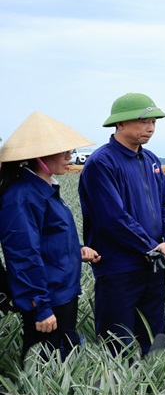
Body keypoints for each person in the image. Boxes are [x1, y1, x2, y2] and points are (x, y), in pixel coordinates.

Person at [79, 93, 165, 356]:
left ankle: (155, 377)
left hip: (154, 263)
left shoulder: (151, 160)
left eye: (154, 122)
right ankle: (118, 383)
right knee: (117, 339)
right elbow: (112, 218)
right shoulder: (101, 163)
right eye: (144, 121)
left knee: (154, 335)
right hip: (118, 266)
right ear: (120, 123)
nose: (150, 128)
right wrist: (150, 247)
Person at [0, 112, 101, 363]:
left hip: (62, 291)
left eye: (71, 151)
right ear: (39, 157)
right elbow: (23, 255)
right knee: (44, 367)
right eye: (63, 152)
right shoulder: (22, 195)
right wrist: (40, 307)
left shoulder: (46, 188)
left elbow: (48, 239)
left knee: (63, 362)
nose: (70, 157)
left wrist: (77, 250)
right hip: (48, 297)